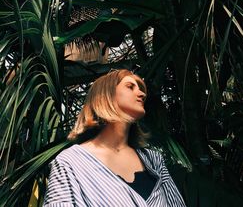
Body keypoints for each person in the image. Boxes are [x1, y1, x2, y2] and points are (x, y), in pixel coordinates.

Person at [43, 69, 186, 207]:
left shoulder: (154, 160)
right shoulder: (70, 162)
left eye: (141, 89)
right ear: (106, 96)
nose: (142, 94)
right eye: (130, 87)